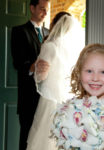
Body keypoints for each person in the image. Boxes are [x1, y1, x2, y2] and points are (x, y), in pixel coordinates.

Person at [26, 11, 84, 150]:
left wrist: (37, 72)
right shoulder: (75, 49)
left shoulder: (49, 46)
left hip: (50, 100)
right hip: (68, 100)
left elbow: (41, 77)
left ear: (54, 25)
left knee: (44, 137)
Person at [11, 0, 50, 149]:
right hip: (28, 97)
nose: (45, 13)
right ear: (32, 8)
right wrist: (33, 67)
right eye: (42, 9)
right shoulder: (19, 31)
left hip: (46, 97)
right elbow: (17, 63)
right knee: (27, 138)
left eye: (47, 9)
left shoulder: (49, 33)